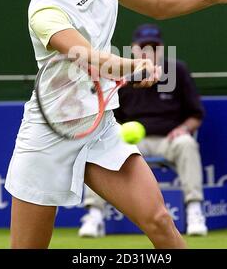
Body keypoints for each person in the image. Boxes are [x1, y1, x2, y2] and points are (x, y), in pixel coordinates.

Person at [4, 0, 227, 249]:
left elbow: (156, 6)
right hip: (49, 136)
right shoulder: (44, 10)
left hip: (99, 129)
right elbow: (90, 59)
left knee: (159, 220)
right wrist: (137, 66)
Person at [79, 23, 208, 237]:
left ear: (162, 49)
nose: (149, 52)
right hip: (129, 142)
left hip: (169, 140)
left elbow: (196, 115)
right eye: (143, 47)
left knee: (187, 143)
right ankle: (94, 216)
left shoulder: (178, 71)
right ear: (133, 49)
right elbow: (110, 115)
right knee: (98, 149)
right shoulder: (120, 76)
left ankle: (194, 211)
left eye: (154, 47)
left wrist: (183, 129)